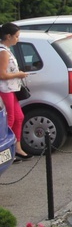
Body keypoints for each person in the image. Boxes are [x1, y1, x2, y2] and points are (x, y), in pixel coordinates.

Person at [0, 23, 29, 161]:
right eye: (16, 36)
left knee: (19, 117)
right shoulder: (3, 52)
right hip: (5, 89)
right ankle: (3, 150)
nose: (17, 39)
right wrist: (19, 75)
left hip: (12, 89)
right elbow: (2, 75)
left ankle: (16, 147)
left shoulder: (7, 49)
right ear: (8, 36)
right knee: (9, 119)